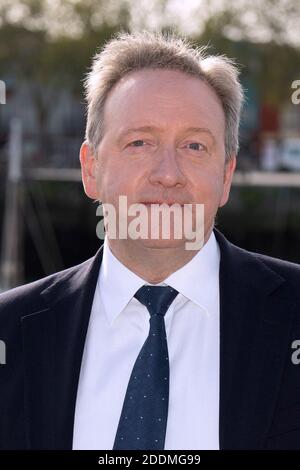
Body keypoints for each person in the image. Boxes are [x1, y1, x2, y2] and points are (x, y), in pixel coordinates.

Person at [1, 31, 300, 451]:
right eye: (139, 143)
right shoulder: (9, 332)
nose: (168, 173)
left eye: (194, 145)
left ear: (227, 176)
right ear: (91, 168)